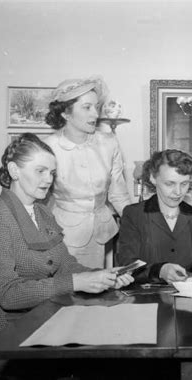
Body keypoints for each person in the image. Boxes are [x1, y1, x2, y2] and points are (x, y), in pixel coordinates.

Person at [0, 133, 133, 376]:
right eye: (40, 171)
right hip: (1, 335)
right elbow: (8, 295)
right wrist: (77, 282)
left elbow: (65, 264)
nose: (49, 180)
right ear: (14, 170)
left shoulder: (43, 213)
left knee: (111, 349)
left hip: (42, 320)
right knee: (97, 361)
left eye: (52, 173)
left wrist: (102, 275)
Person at [44, 76, 132, 268]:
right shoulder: (48, 148)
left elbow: (118, 195)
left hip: (100, 234)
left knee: (94, 291)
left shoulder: (109, 143)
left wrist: (136, 225)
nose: (95, 114)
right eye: (86, 107)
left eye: (96, 106)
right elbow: (37, 200)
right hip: (62, 235)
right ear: (66, 114)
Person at [115, 149, 192, 284]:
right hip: (146, 299)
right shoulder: (134, 214)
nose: (178, 192)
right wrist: (159, 271)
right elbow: (127, 265)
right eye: (170, 184)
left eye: (184, 184)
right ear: (153, 178)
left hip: (189, 301)